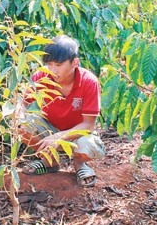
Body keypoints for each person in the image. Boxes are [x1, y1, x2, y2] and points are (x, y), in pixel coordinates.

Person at [20, 35, 105, 188]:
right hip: (49, 127)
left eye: (58, 65)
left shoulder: (88, 82)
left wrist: (58, 137)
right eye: (49, 64)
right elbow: (23, 103)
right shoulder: (41, 76)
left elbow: (88, 125)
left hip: (77, 134)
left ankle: (80, 164)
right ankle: (49, 161)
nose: (52, 70)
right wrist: (19, 118)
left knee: (88, 144)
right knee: (23, 127)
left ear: (75, 62)